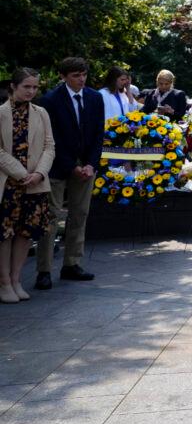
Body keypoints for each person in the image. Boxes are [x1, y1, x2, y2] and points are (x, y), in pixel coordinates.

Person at [35, 57, 104, 289]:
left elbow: (98, 135)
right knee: (51, 217)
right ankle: (44, 270)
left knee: (80, 214)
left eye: (84, 74)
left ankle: (72, 264)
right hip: (56, 166)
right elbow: (51, 138)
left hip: (85, 167)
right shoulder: (50, 100)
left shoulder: (95, 98)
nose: (81, 79)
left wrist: (91, 164)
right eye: (76, 75)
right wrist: (70, 165)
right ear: (63, 76)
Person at [0, 69, 55, 303]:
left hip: (35, 184)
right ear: (14, 86)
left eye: (35, 87)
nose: (31, 91)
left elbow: (49, 146)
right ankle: (3, 282)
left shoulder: (41, 113)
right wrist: (22, 174)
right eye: (27, 87)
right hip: (8, 183)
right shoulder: (1, 112)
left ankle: (15, 279)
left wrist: (40, 173)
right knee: (5, 233)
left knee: (25, 233)